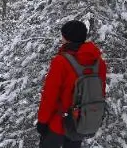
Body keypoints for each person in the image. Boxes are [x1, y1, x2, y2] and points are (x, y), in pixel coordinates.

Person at [36, 20, 108, 148]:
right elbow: (100, 92)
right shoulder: (99, 63)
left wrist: (42, 121)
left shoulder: (61, 61)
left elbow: (50, 95)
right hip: (80, 123)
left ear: (67, 37)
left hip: (58, 125)